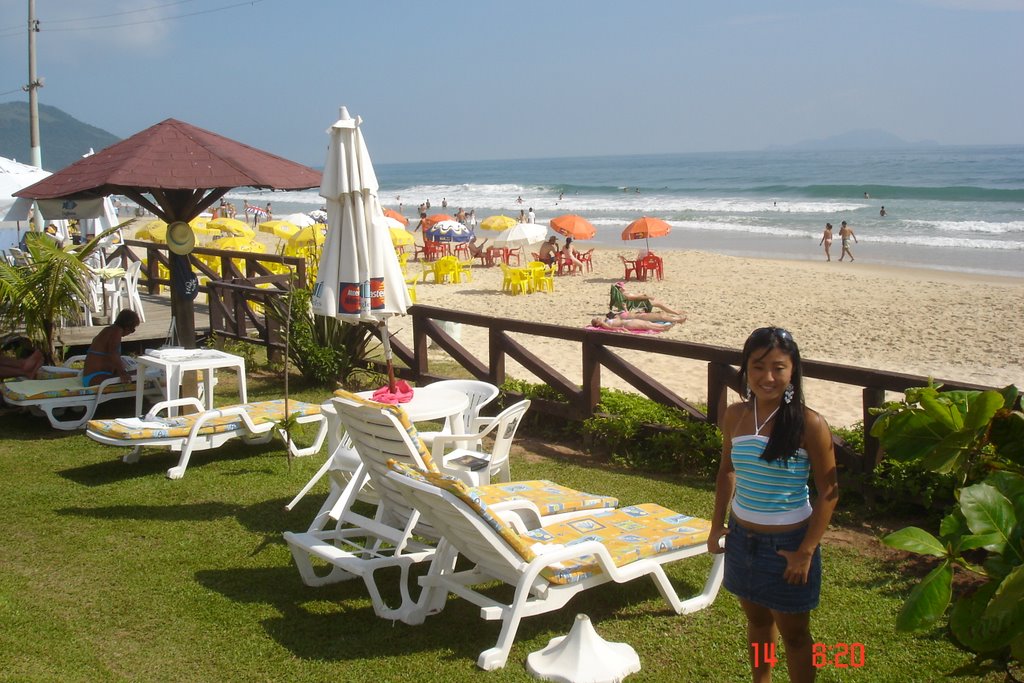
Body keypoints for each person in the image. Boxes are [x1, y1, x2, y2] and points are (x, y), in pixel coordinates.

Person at [707, 327, 838, 683]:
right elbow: (727, 471)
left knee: (795, 636)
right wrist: (717, 524)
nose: (768, 377)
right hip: (742, 540)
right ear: (745, 370)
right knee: (758, 622)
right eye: (758, 366)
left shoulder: (808, 423)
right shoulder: (734, 415)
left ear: (793, 371)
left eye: (778, 368)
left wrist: (806, 551)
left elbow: (829, 491)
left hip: (788, 548)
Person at [82, 309, 139, 387]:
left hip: (92, 376)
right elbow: (113, 353)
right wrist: (123, 373)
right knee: (140, 373)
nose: (131, 332)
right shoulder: (116, 332)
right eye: (132, 329)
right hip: (96, 378)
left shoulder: (109, 329)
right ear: (127, 326)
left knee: (136, 372)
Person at [608, 281, 681, 315]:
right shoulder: (626, 295)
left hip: (639, 302)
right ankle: (675, 312)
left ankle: (674, 311)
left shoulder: (621, 295)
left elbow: (636, 297)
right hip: (640, 303)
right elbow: (636, 298)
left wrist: (644, 295)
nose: (625, 287)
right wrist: (648, 296)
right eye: (623, 287)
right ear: (620, 289)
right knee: (660, 304)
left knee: (659, 303)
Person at [590, 316, 675, 332]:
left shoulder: (604, 321)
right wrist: (621, 329)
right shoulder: (604, 325)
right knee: (646, 326)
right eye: (597, 319)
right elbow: (611, 328)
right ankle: (663, 328)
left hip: (627, 322)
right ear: (597, 324)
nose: (599, 318)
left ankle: (664, 326)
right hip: (626, 325)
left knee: (647, 323)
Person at [611, 309, 686, 324]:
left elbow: (628, 313)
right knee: (660, 317)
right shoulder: (618, 318)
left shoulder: (620, 314)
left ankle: (675, 319)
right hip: (639, 318)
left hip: (639, 315)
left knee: (658, 315)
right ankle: (678, 320)